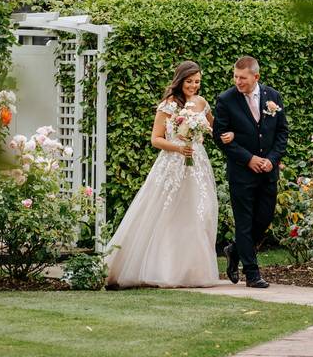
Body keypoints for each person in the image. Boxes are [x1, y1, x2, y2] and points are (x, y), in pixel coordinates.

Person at [104, 60, 232, 288]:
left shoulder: (202, 103)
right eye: (190, 81)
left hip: (198, 164)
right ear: (180, 80)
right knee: (167, 214)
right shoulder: (168, 105)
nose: (194, 86)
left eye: (197, 82)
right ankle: (162, 269)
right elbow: (156, 139)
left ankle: (194, 272)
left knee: (199, 213)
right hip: (173, 163)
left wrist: (225, 135)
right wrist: (178, 147)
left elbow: (214, 129)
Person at [213, 56, 289, 288]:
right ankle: (252, 273)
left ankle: (234, 250)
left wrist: (271, 160)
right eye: (235, 77)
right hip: (241, 173)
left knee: (264, 218)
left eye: (243, 78)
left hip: (268, 172)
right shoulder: (226, 100)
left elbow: (282, 133)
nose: (238, 82)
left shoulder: (272, 97)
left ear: (256, 77)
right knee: (244, 222)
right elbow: (219, 136)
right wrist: (249, 159)